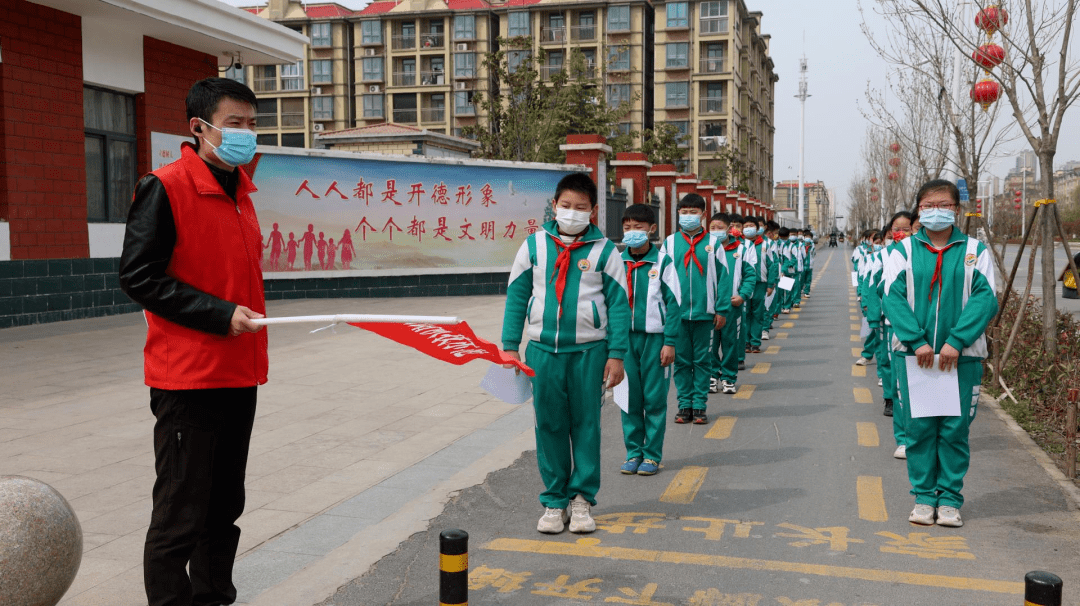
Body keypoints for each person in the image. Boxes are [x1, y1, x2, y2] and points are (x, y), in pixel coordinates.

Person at [119, 77, 267, 606]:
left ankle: (214, 596)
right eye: (234, 124)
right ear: (198, 128)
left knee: (224, 507)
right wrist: (221, 315)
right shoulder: (165, 186)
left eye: (252, 124)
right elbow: (139, 277)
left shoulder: (240, 192)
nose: (246, 134)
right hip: (189, 378)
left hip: (239, 374)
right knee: (180, 513)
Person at [501, 172, 629, 534]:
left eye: (581, 208)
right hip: (542, 352)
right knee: (550, 425)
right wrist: (510, 348)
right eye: (566, 206)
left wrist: (616, 354)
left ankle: (583, 500)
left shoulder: (605, 251)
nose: (572, 213)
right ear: (554, 206)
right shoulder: (533, 246)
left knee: (586, 426)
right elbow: (517, 297)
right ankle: (554, 501)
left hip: (590, 352)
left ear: (593, 212)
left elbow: (620, 305)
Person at [882, 179, 997, 528]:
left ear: (956, 209)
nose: (936, 211)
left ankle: (948, 499)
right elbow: (892, 296)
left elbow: (985, 298)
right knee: (918, 429)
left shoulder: (976, 250)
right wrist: (918, 341)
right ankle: (923, 497)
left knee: (953, 430)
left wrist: (956, 341)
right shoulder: (902, 251)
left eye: (944, 204)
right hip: (915, 357)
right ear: (920, 210)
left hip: (960, 358)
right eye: (929, 205)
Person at [618, 204, 680, 476]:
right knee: (627, 398)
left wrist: (670, 342)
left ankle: (652, 455)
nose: (632, 233)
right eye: (627, 228)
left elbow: (674, 303)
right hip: (624, 341)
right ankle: (633, 452)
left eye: (638, 228)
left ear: (652, 229)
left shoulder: (663, 262)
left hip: (655, 341)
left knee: (654, 400)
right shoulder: (617, 262)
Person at [662, 194, 730, 423]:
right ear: (678, 213)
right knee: (681, 362)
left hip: (705, 312)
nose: (688, 216)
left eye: (693, 212)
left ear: (703, 214)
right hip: (677, 315)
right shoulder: (670, 243)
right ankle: (684, 404)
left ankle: (699, 405)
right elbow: (662, 279)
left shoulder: (714, 243)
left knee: (702, 360)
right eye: (684, 211)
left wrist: (721, 309)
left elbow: (723, 278)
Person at [710, 213, 757, 395]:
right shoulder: (706, 249)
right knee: (710, 344)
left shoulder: (742, 249)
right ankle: (712, 376)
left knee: (731, 343)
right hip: (710, 306)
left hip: (733, 305)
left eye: (719, 227)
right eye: (712, 228)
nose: (715, 231)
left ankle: (729, 378)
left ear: (729, 229)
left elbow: (750, 275)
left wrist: (743, 295)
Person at [855, 230, 883, 367]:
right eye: (875, 242)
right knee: (872, 331)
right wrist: (862, 297)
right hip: (872, 301)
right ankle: (867, 355)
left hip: (886, 302)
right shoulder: (867, 257)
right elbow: (864, 278)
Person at [743, 217, 770, 354]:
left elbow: (772, 264)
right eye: (746, 225)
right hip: (744, 285)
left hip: (760, 284)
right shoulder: (740, 245)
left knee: (757, 313)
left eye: (751, 225)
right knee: (745, 313)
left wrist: (771, 284)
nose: (748, 228)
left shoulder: (765, 245)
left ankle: (755, 342)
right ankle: (745, 342)